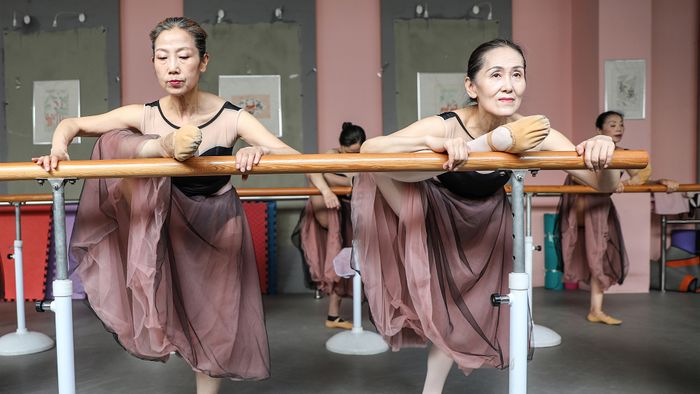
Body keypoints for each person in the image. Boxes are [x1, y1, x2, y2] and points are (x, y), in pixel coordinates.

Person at [32, 17, 330, 394]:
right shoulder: (146, 114)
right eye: (162, 57)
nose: (172, 66)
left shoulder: (232, 117)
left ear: (203, 62)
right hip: (165, 218)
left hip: (218, 225)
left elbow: (297, 157)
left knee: (215, 321)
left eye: (184, 56)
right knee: (116, 140)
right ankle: (160, 147)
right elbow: (71, 124)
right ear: (154, 62)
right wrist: (58, 150)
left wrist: (264, 153)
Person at [352, 38, 621, 393]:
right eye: (495, 75)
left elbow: (605, 185)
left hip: (485, 220)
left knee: (465, 310)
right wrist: (434, 147)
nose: (509, 84)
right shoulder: (448, 124)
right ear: (471, 86)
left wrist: (605, 148)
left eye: (517, 74)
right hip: (432, 212)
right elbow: (370, 151)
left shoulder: (531, 132)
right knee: (443, 305)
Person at [557, 110, 678, 325]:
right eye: (612, 124)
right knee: (579, 255)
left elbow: (640, 178)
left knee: (600, 258)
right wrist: (611, 181)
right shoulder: (588, 150)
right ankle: (595, 309)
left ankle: (596, 310)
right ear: (599, 130)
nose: (619, 128)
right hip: (577, 213)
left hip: (599, 213)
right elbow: (579, 180)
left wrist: (661, 182)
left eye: (621, 124)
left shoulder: (623, 155)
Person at [293, 122, 366, 329]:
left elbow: (360, 180)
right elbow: (312, 171)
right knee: (338, 258)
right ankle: (333, 316)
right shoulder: (331, 154)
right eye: (350, 152)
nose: (354, 156)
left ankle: (333, 316)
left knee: (344, 260)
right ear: (341, 147)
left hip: (350, 213)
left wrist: (339, 181)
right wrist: (328, 189)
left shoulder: (366, 155)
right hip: (330, 210)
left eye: (357, 152)